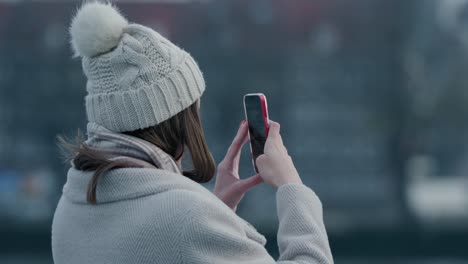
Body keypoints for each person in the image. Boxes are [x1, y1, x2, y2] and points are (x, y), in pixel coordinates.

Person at [51, 2, 334, 264]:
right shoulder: (186, 217)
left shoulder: (68, 210)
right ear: (175, 118)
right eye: (193, 107)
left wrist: (217, 214)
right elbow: (177, 229)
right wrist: (291, 185)